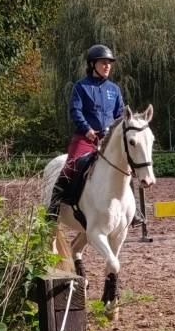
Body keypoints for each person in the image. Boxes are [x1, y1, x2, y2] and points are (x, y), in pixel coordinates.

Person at [49, 44, 143, 225]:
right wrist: (87, 129)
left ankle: (134, 212)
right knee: (70, 167)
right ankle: (53, 208)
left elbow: (120, 114)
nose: (108, 66)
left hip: (107, 140)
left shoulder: (114, 89)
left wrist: (115, 131)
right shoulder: (81, 87)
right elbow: (75, 111)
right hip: (85, 138)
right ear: (92, 64)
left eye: (109, 63)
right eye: (103, 63)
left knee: (125, 168)